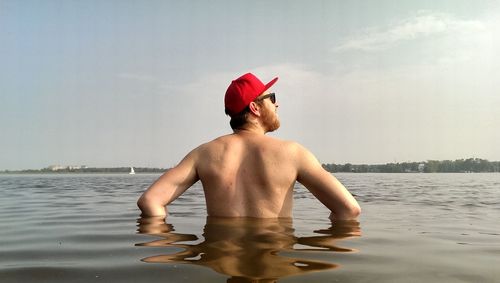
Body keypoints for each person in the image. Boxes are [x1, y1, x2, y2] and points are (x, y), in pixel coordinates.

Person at [137, 73, 361, 220]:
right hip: (273, 263)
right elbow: (349, 210)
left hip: (223, 262)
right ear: (254, 107)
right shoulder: (293, 153)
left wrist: (177, 246)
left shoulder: (203, 154)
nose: (277, 103)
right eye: (271, 97)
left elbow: (150, 202)